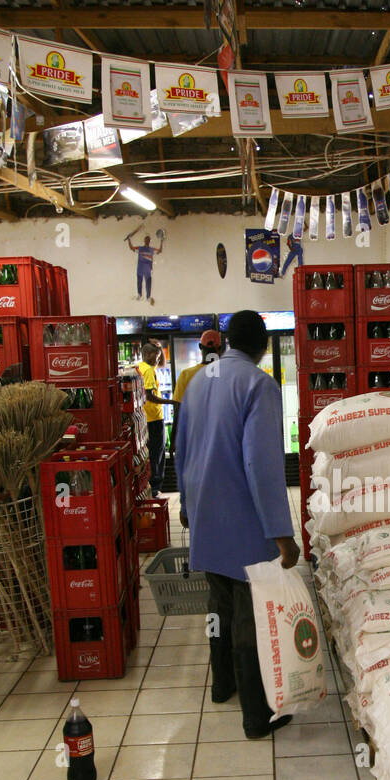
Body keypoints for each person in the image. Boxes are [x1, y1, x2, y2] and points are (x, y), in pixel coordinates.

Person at [175, 309, 300, 740]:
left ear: (226, 342)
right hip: (244, 522)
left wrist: (188, 505)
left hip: (205, 515)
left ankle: (222, 684)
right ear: (264, 345)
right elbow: (262, 466)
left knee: (218, 604)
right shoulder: (259, 385)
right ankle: (257, 715)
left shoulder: (197, 384)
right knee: (250, 615)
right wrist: (282, 535)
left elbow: (181, 448)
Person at [170, 328, 223, 454]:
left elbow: (178, 410)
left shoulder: (186, 375)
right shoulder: (229, 374)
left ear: (200, 347)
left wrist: (174, 440)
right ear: (220, 349)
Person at [137, 341, 168, 498]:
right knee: (158, 452)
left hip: (145, 418)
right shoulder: (148, 370)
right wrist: (172, 402)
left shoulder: (141, 367)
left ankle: (150, 487)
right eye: (156, 356)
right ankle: (155, 488)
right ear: (148, 355)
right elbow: (150, 395)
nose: (157, 359)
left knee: (151, 453)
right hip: (154, 417)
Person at [127, 231, 163, 303]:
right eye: (146, 239)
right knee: (139, 281)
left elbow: (160, 251)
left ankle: (148, 297)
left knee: (148, 283)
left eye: (148, 239)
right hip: (140, 268)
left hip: (148, 269)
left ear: (149, 241)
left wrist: (162, 241)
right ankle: (139, 294)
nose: (147, 240)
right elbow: (131, 248)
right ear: (144, 240)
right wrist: (129, 240)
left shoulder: (152, 250)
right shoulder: (140, 248)